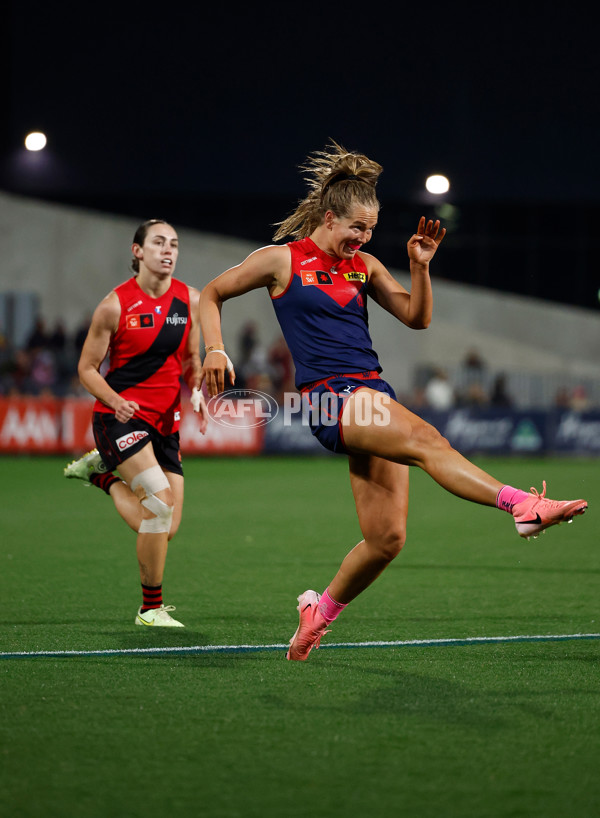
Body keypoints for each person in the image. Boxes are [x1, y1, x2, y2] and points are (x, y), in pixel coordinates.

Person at [198, 141, 588, 661]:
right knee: (428, 440)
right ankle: (522, 505)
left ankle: (317, 615)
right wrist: (215, 348)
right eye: (357, 227)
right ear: (329, 218)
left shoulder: (364, 265)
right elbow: (211, 293)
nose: (363, 238)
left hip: (370, 392)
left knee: (386, 540)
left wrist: (419, 267)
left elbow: (416, 318)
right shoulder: (282, 260)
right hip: (329, 398)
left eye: (371, 230)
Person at [64, 219, 208, 627]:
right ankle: (150, 610)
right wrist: (115, 401)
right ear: (138, 251)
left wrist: (197, 390)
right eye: (159, 242)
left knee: (167, 527)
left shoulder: (190, 300)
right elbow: (86, 368)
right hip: (118, 419)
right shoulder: (114, 306)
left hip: (166, 422)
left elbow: (191, 359)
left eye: (174, 244)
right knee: (159, 506)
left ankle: (100, 476)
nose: (168, 250)